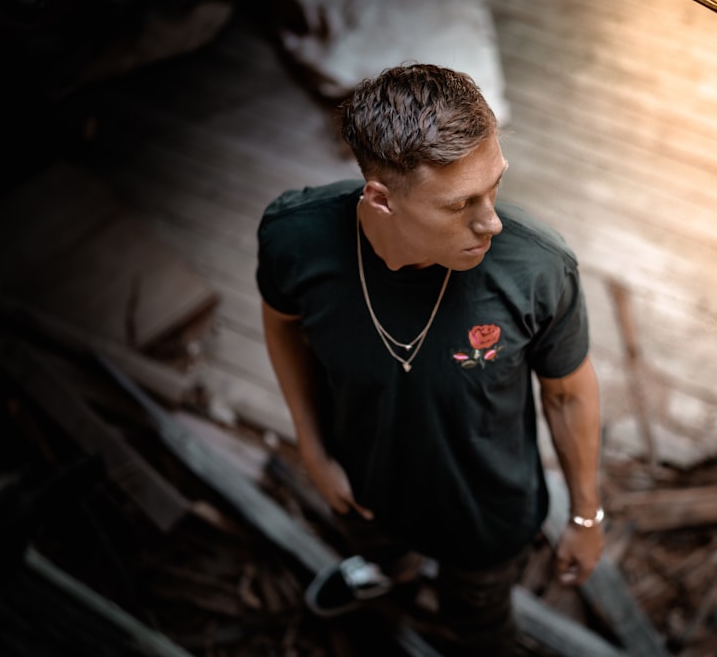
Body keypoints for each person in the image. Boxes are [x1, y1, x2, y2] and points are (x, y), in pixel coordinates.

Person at [256, 63, 603, 656]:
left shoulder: (537, 269)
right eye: (459, 203)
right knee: (381, 553)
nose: (490, 219)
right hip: (362, 482)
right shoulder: (296, 238)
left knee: (480, 625)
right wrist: (313, 450)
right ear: (381, 199)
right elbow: (283, 325)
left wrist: (586, 518)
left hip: (487, 513)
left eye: (495, 184)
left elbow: (568, 392)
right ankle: (390, 571)